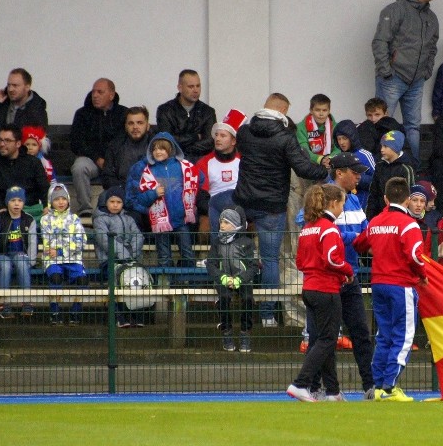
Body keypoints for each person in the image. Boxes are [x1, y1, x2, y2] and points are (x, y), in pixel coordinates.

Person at [232, 93, 329, 327]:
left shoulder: (244, 133)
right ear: (283, 111)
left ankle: (235, 311)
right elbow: (304, 168)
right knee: (270, 260)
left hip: (243, 203)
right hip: (272, 207)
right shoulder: (285, 137)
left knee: (233, 256)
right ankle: (267, 315)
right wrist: (326, 169)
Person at [353, 177, 427, 402]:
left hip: (378, 284)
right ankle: (389, 387)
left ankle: (376, 387)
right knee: (403, 336)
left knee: (384, 335)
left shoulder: (375, 221)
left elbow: (359, 244)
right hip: (401, 285)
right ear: (407, 200)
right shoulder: (409, 224)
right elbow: (415, 255)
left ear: (385, 198)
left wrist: (379, 248)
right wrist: (422, 275)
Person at [287, 184, 353, 402]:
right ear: (333, 203)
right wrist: (347, 270)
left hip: (309, 288)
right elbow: (332, 258)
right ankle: (300, 383)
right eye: (342, 203)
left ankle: (333, 391)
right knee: (327, 339)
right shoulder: (329, 228)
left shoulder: (307, 228)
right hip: (326, 289)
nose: (342, 209)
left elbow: (299, 261)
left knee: (321, 339)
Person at [372, 0, 439, 164]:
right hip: (392, 78)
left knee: (413, 127)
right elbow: (380, 42)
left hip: (416, 80)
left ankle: (413, 169)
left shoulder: (431, 17)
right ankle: (380, 167)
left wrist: (426, 71)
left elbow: (432, 47)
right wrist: (386, 71)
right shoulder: (394, 10)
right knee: (383, 124)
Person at [327, 153, 376, 397]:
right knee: (325, 339)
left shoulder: (354, 201)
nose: (359, 176)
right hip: (329, 279)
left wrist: (364, 238)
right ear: (339, 173)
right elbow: (315, 229)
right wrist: (356, 238)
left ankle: (370, 386)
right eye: (354, 171)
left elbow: (365, 233)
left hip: (350, 276)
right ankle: (328, 390)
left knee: (360, 334)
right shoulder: (321, 197)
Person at [126, 132, 204, 267]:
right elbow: (139, 198)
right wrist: (153, 194)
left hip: (182, 220)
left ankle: (190, 284)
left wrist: (190, 199)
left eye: (161, 148)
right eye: (154, 149)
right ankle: (166, 285)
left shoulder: (184, 166)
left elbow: (200, 180)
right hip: (160, 223)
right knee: (163, 256)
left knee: (188, 254)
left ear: (171, 149)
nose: (157, 152)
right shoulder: (147, 171)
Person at [69, 78, 127, 216]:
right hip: (92, 160)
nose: (95, 95)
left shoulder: (123, 113)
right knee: (79, 167)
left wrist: (109, 159)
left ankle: (123, 208)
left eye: (100, 92)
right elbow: (76, 143)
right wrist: (97, 158)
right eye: (93, 91)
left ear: (111, 95)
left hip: (116, 161)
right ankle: (85, 210)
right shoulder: (82, 114)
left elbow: (123, 140)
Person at [207, 207, 259, 354]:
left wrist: (239, 279)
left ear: (235, 224)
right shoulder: (216, 242)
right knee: (224, 298)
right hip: (223, 280)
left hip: (242, 281)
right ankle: (227, 332)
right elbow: (210, 264)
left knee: (248, 298)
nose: (222, 225)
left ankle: (245, 334)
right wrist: (222, 277)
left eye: (226, 222)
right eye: (221, 221)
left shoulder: (247, 242)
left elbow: (253, 266)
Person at [92, 186, 146, 328]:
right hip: (109, 261)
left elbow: (138, 236)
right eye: (112, 201)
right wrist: (124, 256)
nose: (115, 205)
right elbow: (105, 240)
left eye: (119, 202)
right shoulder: (100, 220)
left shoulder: (129, 219)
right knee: (116, 282)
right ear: (106, 202)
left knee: (138, 280)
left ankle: (137, 316)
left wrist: (131, 256)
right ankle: (119, 317)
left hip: (131, 261)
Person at [0, 186, 37, 319]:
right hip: (3, 253)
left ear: (24, 203)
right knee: (5, 265)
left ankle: (27, 301)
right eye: (13, 200)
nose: (16, 203)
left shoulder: (29, 219)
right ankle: (4, 304)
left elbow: (32, 241)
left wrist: (31, 260)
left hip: (21, 253)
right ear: (7, 202)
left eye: (20, 200)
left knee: (22, 262)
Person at [195, 109, 245, 242]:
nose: (217, 138)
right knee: (205, 228)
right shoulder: (203, 163)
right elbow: (201, 196)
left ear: (233, 141)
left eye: (223, 136)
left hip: (239, 209)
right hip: (212, 209)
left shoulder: (244, 161)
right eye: (216, 135)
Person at [40, 183, 87, 325]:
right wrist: (69, 243)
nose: (60, 202)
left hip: (74, 259)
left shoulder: (74, 219)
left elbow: (81, 241)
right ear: (51, 202)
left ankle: (76, 312)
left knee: (83, 280)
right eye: (56, 199)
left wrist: (61, 250)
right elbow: (49, 244)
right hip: (52, 260)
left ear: (68, 200)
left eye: (63, 198)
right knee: (55, 277)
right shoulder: (45, 220)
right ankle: (55, 312)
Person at [0, 124, 50, 220]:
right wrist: (0, 208)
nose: (2, 144)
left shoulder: (33, 163)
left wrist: (46, 206)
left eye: (7, 140)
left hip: (31, 213)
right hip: (5, 215)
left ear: (18, 143)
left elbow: (44, 189)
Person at [156, 69, 217, 162]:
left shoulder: (208, 112)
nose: (196, 90)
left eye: (198, 86)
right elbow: (166, 141)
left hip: (200, 163)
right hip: (173, 163)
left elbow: (210, 142)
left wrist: (184, 149)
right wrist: (195, 137)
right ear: (180, 88)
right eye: (191, 86)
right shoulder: (165, 110)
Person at [0, 68, 48, 142]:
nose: (10, 89)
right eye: (9, 85)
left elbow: (38, 141)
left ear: (27, 87)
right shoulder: (3, 104)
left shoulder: (37, 108)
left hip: (24, 152)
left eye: (15, 85)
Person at [366, 130, 415, 221]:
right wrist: (370, 217)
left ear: (395, 148)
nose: (381, 149)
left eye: (385, 146)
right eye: (381, 146)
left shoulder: (405, 169)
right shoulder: (379, 166)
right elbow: (373, 193)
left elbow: (408, 195)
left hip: (398, 218)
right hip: (380, 215)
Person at [101, 106, 153, 189]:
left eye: (140, 123)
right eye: (131, 123)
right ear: (125, 126)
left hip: (150, 190)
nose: (135, 127)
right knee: (103, 198)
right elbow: (107, 177)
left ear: (148, 126)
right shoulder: (115, 146)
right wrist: (124, 188)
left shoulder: (156, 145)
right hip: (122, 189)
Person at [332, 120, 375, 210]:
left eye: (344, 138)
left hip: (363, 203)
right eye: (339, 139)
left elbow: (376, 180)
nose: (341, 142)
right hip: (341, 204)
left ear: (352, 138)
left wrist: (354, 178)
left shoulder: (365, 155)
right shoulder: (337, 157)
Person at [297, 94, 340, 165]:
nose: (321, 114)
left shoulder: (335, 126)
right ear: (311, 110)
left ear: (329, 111)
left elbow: (338, 148)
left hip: (331, 162)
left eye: (324, 110)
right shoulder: (301, 127)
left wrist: (330, 158)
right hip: (309, 164)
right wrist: (319, 159)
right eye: (317, 110)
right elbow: (304, 150)